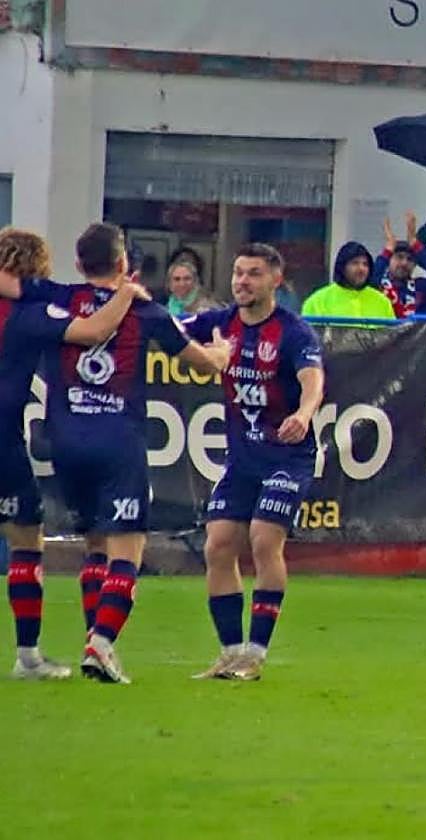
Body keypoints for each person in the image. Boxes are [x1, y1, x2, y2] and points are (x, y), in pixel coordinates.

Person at [12, 223, 232, 683]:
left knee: (94, 544)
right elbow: (203, 363)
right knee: (127, 550)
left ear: (78, 264)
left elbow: (10, 280)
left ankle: (94, 639)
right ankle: (102, 642)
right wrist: (223, 351)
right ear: (123, 263)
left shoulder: (54, 296)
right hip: (118, 441)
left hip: (64, 444)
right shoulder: (146, 310)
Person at [0, 228, 153, 679]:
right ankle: (28, 655)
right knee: (27, 540)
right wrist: (126, 293)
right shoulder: (31, 314)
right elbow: (93, 331)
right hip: (3, 439)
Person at [185, 243, 325, 681]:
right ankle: (230, 652)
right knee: (218, 544)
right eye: (238, 273)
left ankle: (256, 653)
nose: (242, 281)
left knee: (265, 540)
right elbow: (168, 329)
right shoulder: (219, 323)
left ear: (275, 281)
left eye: (254, 274)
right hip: (242, 460)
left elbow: (313, 380)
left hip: (287, 457)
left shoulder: (294, 332)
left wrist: (303, 414)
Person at [373, 214, 426, 318]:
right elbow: (370, 277)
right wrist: (387, 251)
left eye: (410, 259)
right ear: (389, 259)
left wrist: (415, 243)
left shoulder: (420, 287)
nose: (404, 263)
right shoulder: (378, 285)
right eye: (399, 257)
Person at [301, 241, 394, 322]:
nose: (361, 269)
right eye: (355, 263)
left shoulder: (383, 302)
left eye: (365, 264)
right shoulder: (317, 301)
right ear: (342, 267)